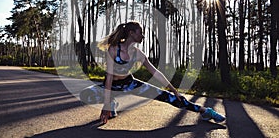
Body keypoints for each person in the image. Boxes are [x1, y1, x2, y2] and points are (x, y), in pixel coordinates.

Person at [80, 21, 226, 124]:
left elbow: (155, 73)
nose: (142, 36)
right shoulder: (113, 49)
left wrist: (174, 91)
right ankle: (112, 103)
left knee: (170, 98)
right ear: (131, 33)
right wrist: (106, 104)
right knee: (85, 94)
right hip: (111, 86)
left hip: (130, 84)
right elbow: (109, 77)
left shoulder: (138, 54)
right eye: (140, 33)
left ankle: (205, 111)